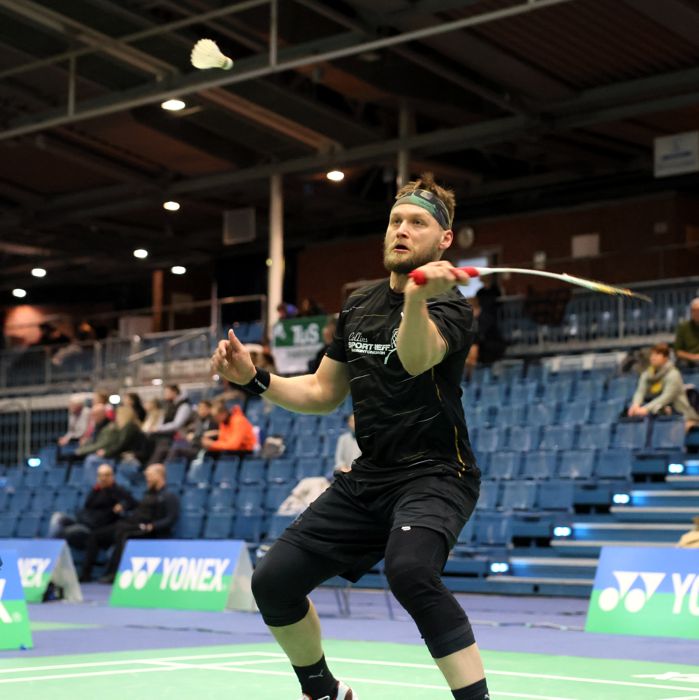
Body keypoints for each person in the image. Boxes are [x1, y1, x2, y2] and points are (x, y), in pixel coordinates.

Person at [212, 173, 488, 700]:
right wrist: (254, 379)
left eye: (418, 223)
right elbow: (321, 391)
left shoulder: (452, 306)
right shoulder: (359, 305)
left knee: (410, 573)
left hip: (436, 474)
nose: (402, 230)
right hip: (370, 477)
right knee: (272, 582)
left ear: (444, 240)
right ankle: (324, 692)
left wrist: (418, 295)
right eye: (395, 220)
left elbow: (415, 357)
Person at [83, 463, 180, 584]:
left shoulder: (169, 496)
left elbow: (171, 519)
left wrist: (153, 526)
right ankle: (85, 574)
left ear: (159, 476)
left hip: (147, 530)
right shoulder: (148, 494)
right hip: (131, 524)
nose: (147, 479)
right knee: (96, 535)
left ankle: (114, 573)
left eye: (149, 476)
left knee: (123, 533)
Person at [47, 464, 135, 574]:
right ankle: (49, 550)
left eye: (106, 475)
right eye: (100, 475)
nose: (103, 478)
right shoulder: (95, 490)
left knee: (65, 532)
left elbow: (132, 503)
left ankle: (50, 560)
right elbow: (87, 506)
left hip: (95, 526)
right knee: (57, 517)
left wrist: (122, 506)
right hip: (84, 520)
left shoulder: (118, 490)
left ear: (112, 476)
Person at [628, 342, 699, 430]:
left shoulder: (674, 374)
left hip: (680, 415)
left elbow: (666, 397)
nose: (653, 357)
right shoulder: (647, 374)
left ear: (665, 358)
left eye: (657, 354)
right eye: (652, 355)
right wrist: (635, 405)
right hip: (658, 413)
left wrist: (646, 409)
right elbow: (640, 391)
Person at [675, 298, 699, 369]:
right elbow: (677, 351)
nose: (697, 313)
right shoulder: (684, 327)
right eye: (694, 310)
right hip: (688, 364)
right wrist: (694, 357)